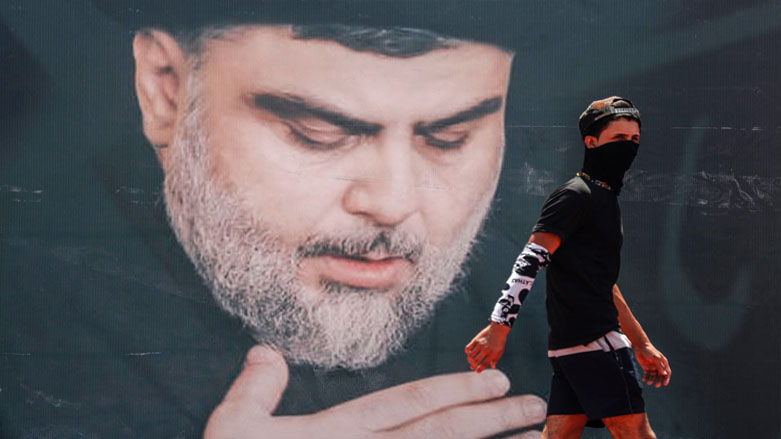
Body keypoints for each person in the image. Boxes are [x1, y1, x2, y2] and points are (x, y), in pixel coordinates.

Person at [55, 1, 546, 437]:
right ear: (165, 91)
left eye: (449, 138)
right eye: (318, 133)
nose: (393, 204)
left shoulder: (548, 312)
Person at [465, 97, 672, 438]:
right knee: (636, 435)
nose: (629, 147)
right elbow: (530, 259)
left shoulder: (604, 199)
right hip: (596, 343)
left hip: (571, 349)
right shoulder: (576, 196)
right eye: (619, 139)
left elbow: (604, 285)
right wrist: (498, 327)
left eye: (634, 140)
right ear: (591, 142)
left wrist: (641, 343)